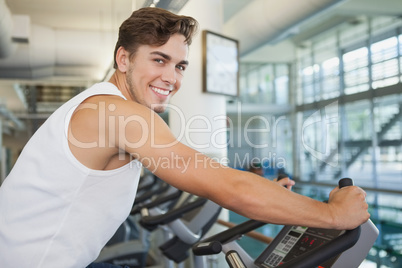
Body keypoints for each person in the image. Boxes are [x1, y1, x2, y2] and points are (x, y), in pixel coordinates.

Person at [0, 7, 370, 268]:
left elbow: (194, 165)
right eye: (158, 60)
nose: (172, 78)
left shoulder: (108, 107)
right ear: (124, 59)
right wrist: (333, 213)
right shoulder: (117, 114)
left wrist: (257, 185)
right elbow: (228, 188)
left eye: (179, 66)